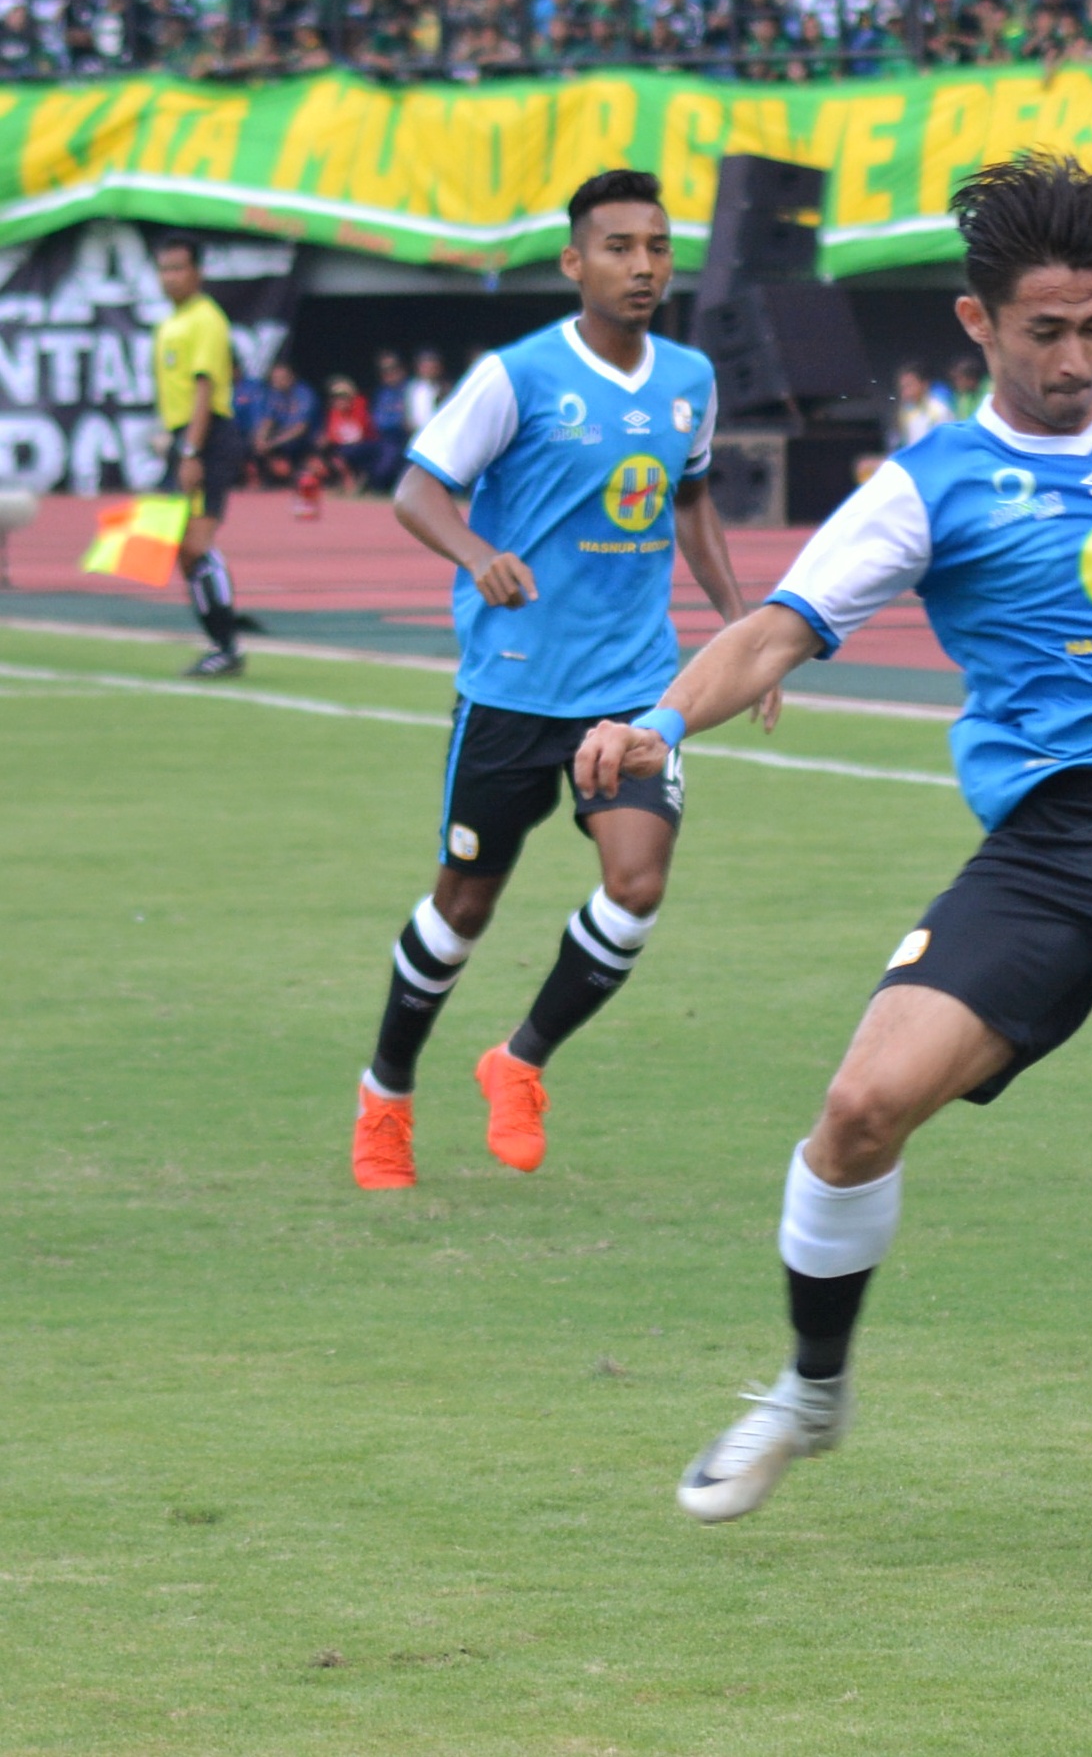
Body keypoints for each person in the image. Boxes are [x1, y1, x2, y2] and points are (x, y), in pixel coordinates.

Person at [606, 156, 1092, 1592]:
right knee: (859, 1112)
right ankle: (811, 1391)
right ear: (976, 323)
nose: (1071, 359)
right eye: (1041, 332)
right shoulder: (931, 486)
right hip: (1048, 847)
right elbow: (778, 631)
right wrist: (660, 719)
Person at [347, 170, 756, 1192]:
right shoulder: (516, 375)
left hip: (630, 691)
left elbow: (691, 502)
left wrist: (745, 628)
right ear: (575, 262)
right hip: (511, 690)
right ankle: (385, 1091)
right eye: (619, 246)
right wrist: (475, 551)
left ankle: (519, 1059)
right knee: (461, 910)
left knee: (636, 885)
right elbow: (415, 487)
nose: (643, 265)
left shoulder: (689, 379)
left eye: (658, 247)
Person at [149, 233, 250, 677]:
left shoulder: (205, 319)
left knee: (196, 545)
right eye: (164, 269)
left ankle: (227, 645)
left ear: (197, 272)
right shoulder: (172, 322)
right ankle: (222, 634)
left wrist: (190, 449)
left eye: (178, 268)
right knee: (183, 549)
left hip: (208, 439)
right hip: (185, 437)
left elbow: (205, 388)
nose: (170, 277)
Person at [247, 360, 319, 494]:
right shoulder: (274, 394)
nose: (277, 382)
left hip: (303, 440)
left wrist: (271, 444)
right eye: (274, 379)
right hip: (280, 438)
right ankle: (262, 480)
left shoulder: (304, 393)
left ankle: (296, 474)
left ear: (291, 377)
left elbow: (300, 429)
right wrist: (260, 440)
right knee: (252, 442)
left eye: (281, 378)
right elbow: (267, 421)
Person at [367, 350, 414, 491]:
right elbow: (378, 420)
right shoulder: (382, 393)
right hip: (387, 438)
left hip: (412, 438)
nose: (389, 373)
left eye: (393, 368)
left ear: (402, 369)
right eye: (384, 370)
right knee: (382, 467)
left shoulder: (413, 388)